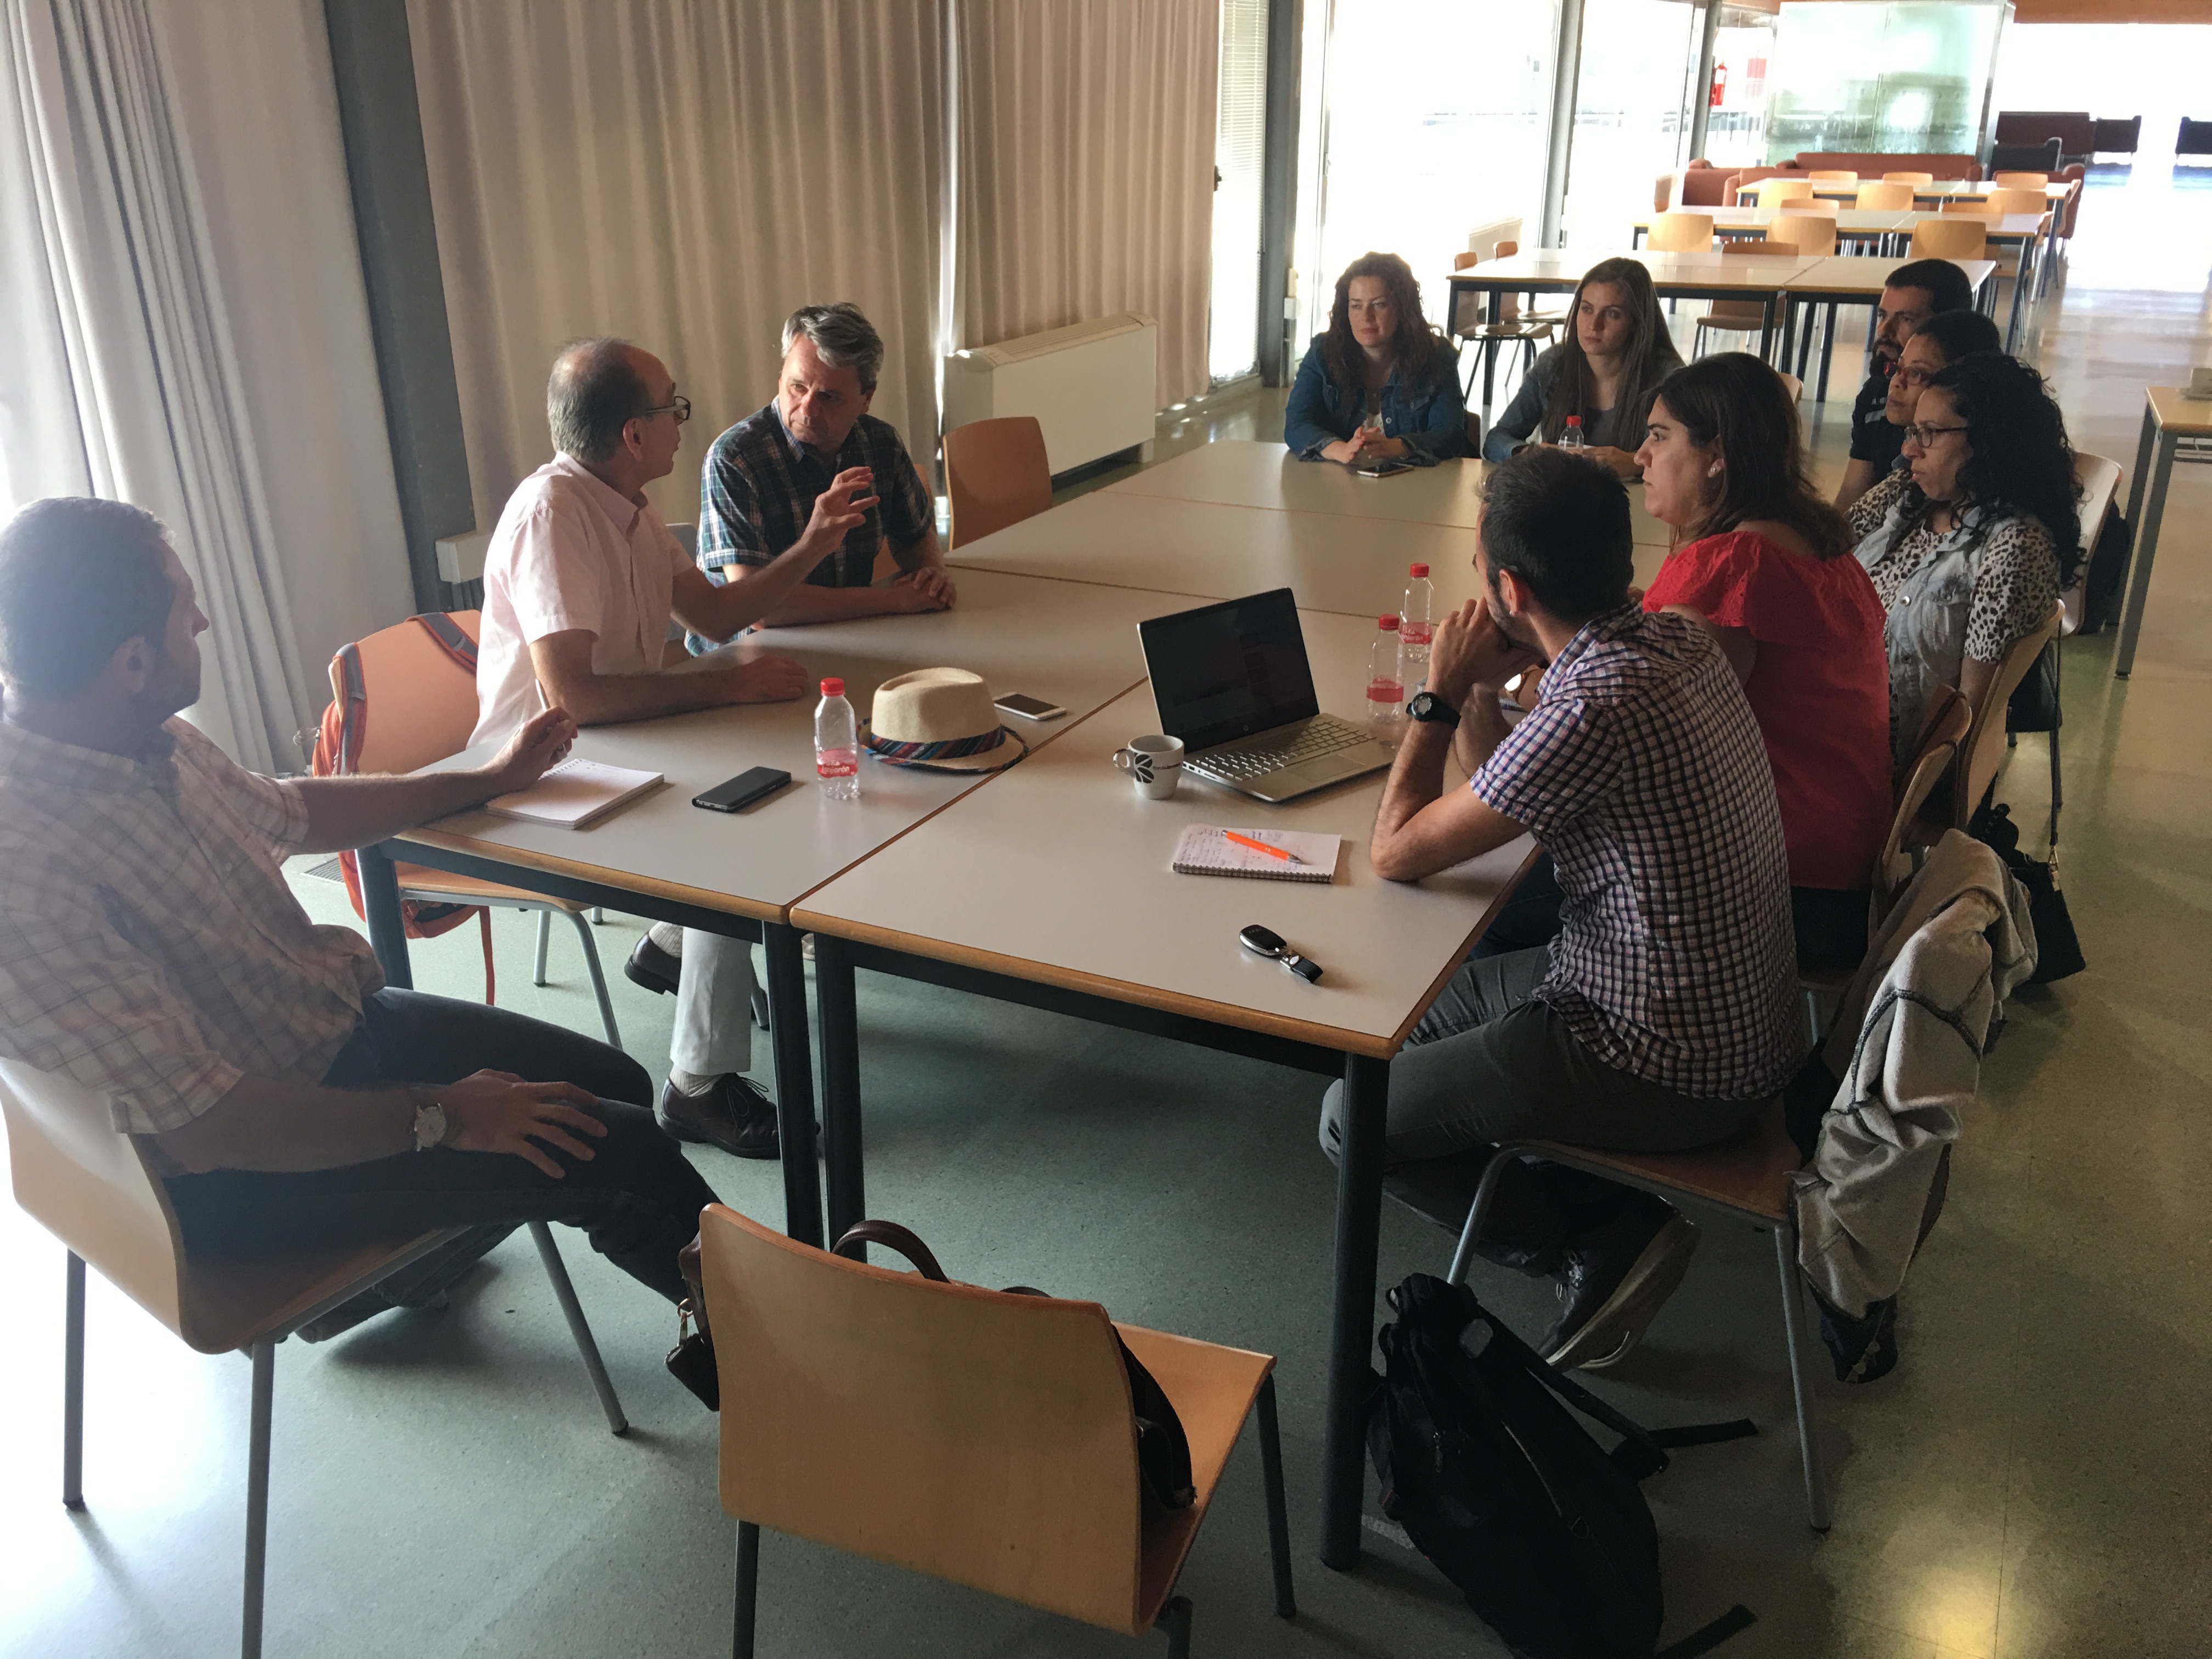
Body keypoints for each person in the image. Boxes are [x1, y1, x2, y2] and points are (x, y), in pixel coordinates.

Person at [0, 496, 720, 1335]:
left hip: (328, 1030)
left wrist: (487, 779)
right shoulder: (28, 869)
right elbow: (210, 1128)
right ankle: (792, 1388)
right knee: (622, 1156)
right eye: (184, 608)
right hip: (243, 1171)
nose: (201, 621)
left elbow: (291, 810)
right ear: (132, 662)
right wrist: (446, 1114)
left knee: (614, 1086)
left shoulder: (137, 736)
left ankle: (396, 1275)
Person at [1318, 448, 1802, 1371]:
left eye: (1479, 570)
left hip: (1668, 1061)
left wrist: (1436, 695)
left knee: (1353, 1116)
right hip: (1730, 1018)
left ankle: (1592, 1239)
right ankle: (1564, 1183)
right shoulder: (1680, 637)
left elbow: (1396, 851)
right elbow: (1499, 793)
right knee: (1406, 1012)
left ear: (1509, 586)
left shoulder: (1591, 707)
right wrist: (1477, 691)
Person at [471, 336, 867, 1161]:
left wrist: (813, 543)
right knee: (734, 833)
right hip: (540, 775)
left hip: (629, 744)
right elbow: (575, 699)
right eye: (672, 408)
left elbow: (715, 618)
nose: (683, 423)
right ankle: (697, 1084)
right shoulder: (554, 516)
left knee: (764, 787)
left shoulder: (632, 507)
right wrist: (724, 688)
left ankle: (674, 942)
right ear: (633, 433)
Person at [1634, 353, 1893, 967]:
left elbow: (1650, 741)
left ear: (1717, 455)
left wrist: (1531, 681)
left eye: (1659, 436)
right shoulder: (1816, 542)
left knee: (1504, 885)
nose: (1640, 455)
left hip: (1780, 885)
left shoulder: (1733, 565)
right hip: (1839, 859)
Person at [1847, 352, 2081, 770]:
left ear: (1990, 442)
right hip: (1833, 707)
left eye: (1930, 434)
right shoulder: (1909, 494)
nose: (1909, 450)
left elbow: (1965, 718)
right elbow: (1826, 546)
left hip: (1870, 755)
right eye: (1914, 431)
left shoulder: (2014, 547)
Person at [695, 303, 956, 625]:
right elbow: (757, 612)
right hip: (755, 647)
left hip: (849, 631)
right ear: (780, 379)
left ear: (866, 398)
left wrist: (931, 574)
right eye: (797, 387)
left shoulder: (881, 442)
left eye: (828, 397)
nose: (807, 410)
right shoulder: (734, 458)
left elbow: (915, 535)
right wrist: (893, 600)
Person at [1480, 257, 1683, 478]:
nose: (1594, 325)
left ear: (1637, 323)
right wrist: (1530, 454)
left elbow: (1688, 459)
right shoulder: (1553, 365)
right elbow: (1496, 440)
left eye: (1612, 314)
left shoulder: (1668, 379)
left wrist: (1636, 464)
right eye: (1587, 309)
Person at [1284, 252, 1469, 467]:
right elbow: (1297, 424)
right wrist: (1340, 449)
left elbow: (1450, 433)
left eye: (1379, 304)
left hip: (1417, 482)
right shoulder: (1322, 352)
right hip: (1337, 481)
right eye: (1356, 305)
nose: (1366, 317)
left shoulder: (1436, 355)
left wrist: (1397, 447)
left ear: (1402, 308)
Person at [1831, 259, 1978, 515]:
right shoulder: (1878, 394)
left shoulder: (1971, 413)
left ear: (1948, 326)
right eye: (1882, 315)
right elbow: (1852, 497)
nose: (1883, 330)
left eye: (1906, 319)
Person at [1875, 308, 2002, 484]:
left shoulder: (1943, 482)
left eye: (1916, 373)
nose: (1897, 382)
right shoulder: (1900, 433)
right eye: (1898, 368)